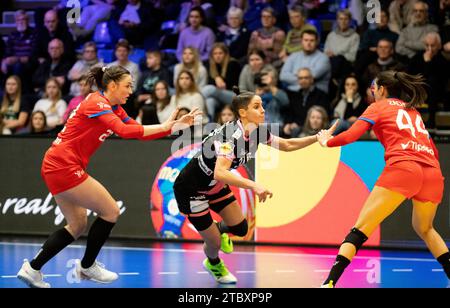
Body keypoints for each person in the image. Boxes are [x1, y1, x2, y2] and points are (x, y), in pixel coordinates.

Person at [17, 65, 201, 288]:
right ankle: (87, 266)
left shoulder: (114, 107)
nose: (130, 91)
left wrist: (171, 128)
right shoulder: (97, 103)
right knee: (111, 211)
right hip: (63, 165)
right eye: (127, 86)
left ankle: (33, 268)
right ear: (112, 85)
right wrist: (165, 126)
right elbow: (124, 132)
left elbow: (137, 131)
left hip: (56, 164)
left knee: (76, 224)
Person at [173, 86, 337, 284]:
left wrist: (317, 137)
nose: (263, 110)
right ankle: (214, 263)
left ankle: (217, 229)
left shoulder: (258, 132)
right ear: (243, 112)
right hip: (191, 190)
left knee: (241, 229)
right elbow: (220, 171)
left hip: (215, 185)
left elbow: (286, 145)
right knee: (214, 242)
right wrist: (254, 185)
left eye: (262, 106)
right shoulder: (229, 136)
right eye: (257, 107)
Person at [317, 70, 448, 288]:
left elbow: (351, 135)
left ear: (382, 89)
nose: (372, 93)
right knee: (425, 228)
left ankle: (329, 283)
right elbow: (433, 149)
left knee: (359, 229)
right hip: (432, 172)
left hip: (403, 169)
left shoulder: (378, 106)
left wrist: (326, 142)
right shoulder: (412, 110)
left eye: (373, 88)